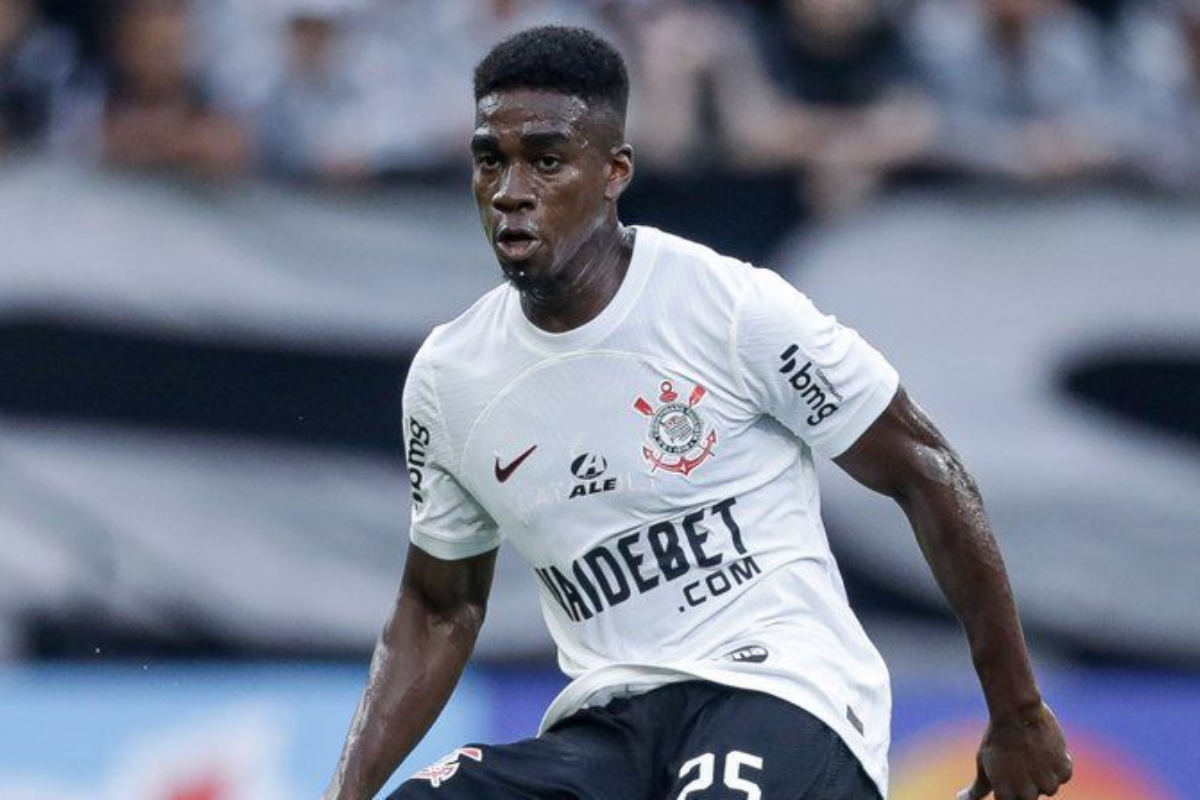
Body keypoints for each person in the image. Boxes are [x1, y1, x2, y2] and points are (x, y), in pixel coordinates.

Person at [323, 25, 1073, 800]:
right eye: (490, 160)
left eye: (545, 161)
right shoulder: (451, 378)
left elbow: (924, 468)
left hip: (781, 691)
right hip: (612, 729)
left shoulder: (731, 308)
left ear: (614, 173)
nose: (511, 190)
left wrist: (1017, 711)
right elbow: (438, 605)